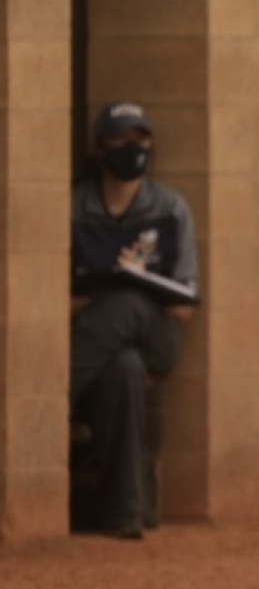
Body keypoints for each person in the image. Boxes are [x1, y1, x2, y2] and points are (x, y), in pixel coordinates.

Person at [70, 101, 199, 540]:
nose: (133, 147)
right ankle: (127, 513)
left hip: (158, 338)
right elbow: (53, 302)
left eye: (141, 138)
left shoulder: (170, 208)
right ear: (101, 147)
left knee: (130, 301)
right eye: (121, 139)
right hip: (99, 338)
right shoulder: (74, 207)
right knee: (122, 367)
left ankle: (56, 390)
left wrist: (137, 286)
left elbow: (183, 309)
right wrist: (97, 296)